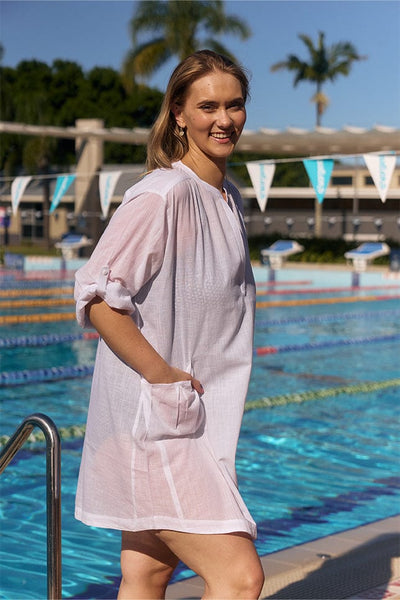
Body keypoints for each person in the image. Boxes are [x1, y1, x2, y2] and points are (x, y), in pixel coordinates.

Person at [74, 49, 265, 599]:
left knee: (148, 573)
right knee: (238, 576)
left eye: (235, 105)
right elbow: (98, 294)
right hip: (155, 425)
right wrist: (160, 373)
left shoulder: (226, 196)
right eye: (208, 106)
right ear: (178, 112)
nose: (224, 119)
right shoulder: (163, 194)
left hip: (190, 420)